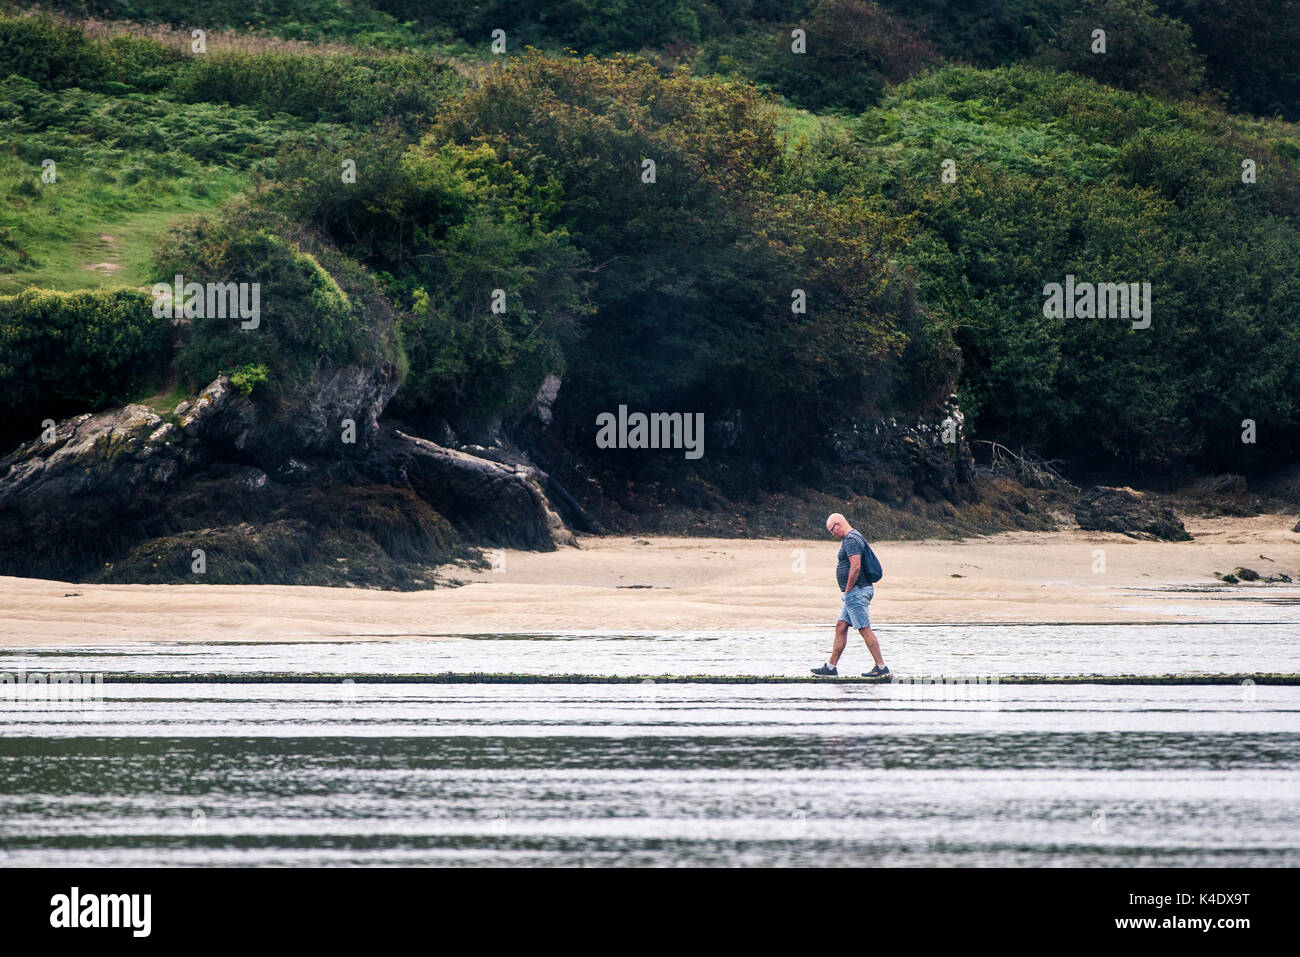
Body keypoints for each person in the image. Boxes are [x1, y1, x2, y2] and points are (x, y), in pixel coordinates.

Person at [812, 513, 889, 678]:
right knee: (841, 627)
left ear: (838, 524)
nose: (832, 534)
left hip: (856, 592)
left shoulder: (851, 540)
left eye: (832, 531)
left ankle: (881, 668)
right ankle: (831, 667)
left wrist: (847, 591)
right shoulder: (854, 537)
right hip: (855, 592)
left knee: (864, 628)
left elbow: (855, 567)